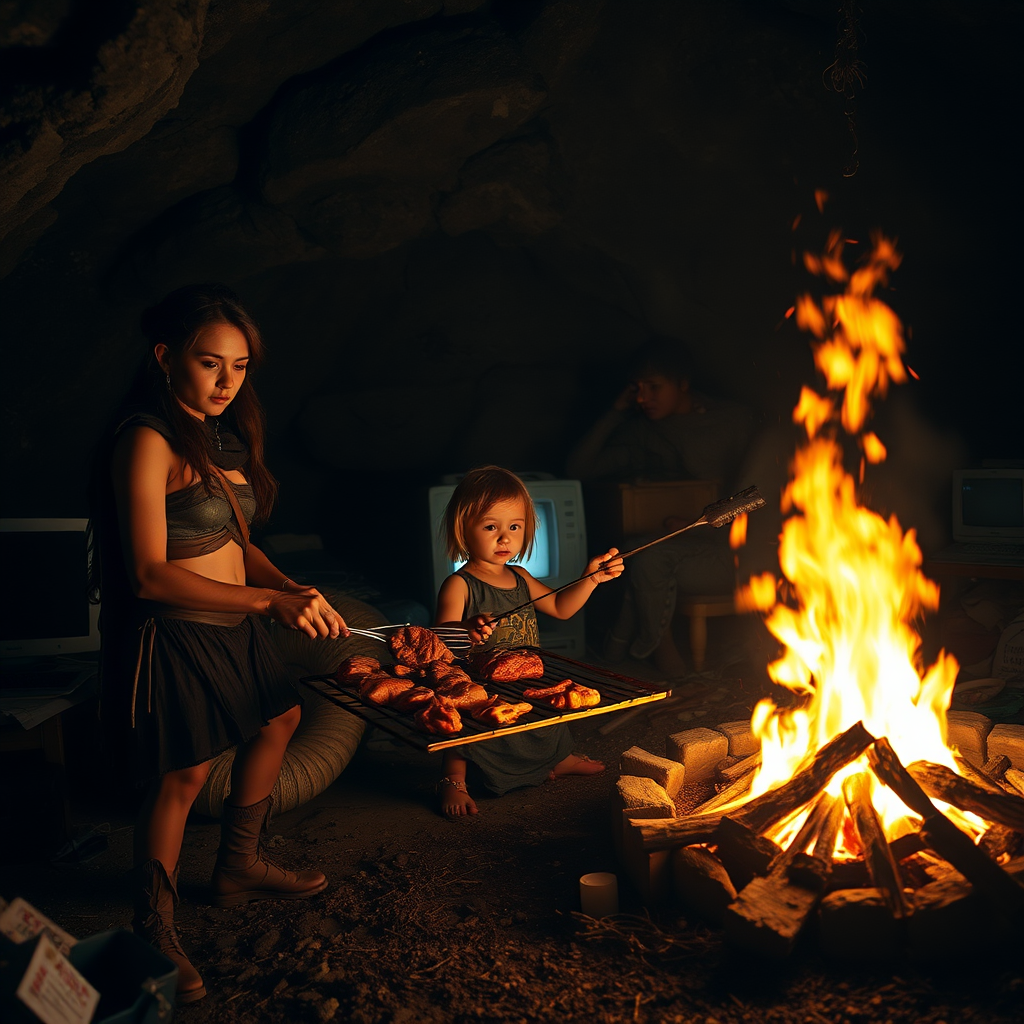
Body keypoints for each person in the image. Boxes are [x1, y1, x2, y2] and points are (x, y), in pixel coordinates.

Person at [90, 284, 349, 1004]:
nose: (227, 382)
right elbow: (148, 572)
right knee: (184, 774)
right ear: (166, 357)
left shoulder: (222, 436)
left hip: (238, 621)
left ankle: (237, 863)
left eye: (239, 367)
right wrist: (267, 600)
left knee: (282, 720)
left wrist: (291, 588)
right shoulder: (145, 438)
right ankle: (152, 926)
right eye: (210, 363)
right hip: (178, 631)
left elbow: (238, 544)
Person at [433, 466, 624, 819]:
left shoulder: (520, 576)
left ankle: (559, 759)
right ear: (464, 529)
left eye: (514, 527)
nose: (504, 538)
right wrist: (467, 629)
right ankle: (453, 779)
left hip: (525, 678)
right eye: (491, 527)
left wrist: (591, 579)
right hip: (480, 684)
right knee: (467, 727)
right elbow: (441, 640)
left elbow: (561, 607)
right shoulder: (459, 585)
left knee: (546, 717)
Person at [567, 340, 754, 677]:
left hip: (735, 549)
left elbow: (760, 489)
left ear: (683, 383)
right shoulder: (644, 433)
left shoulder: (731, 421)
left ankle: (626, 644)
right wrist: (614, 412)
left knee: (646, 557)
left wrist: (707, 521)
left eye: (654, 387)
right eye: (636, 389)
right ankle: (650, 649)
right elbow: (578, 470)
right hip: (684, 542)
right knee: (630, 552)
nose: (642, 398)